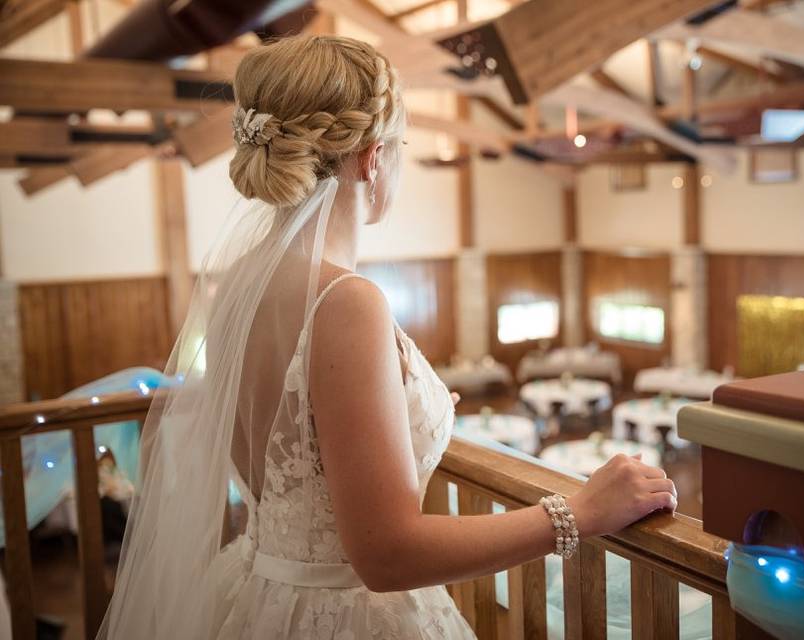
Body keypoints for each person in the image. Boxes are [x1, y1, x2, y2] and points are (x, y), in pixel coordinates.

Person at [98, 35, 677, 639]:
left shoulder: (241, 286)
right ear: (373, 157)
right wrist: (578, 512)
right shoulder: (346, 301)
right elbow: (386, 553)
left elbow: (302, 435)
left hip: (261, 591)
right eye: (399, 146)